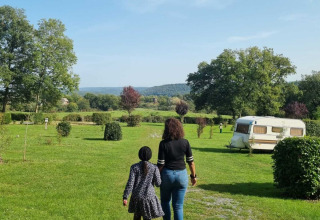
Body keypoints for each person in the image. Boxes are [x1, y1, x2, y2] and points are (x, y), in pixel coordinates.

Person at [157, 118, 197, 220]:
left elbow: (161, 165)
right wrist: (193, 176)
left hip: (167, 175)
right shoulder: (185, 142)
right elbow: (191, 162)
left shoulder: (163, 144)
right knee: (178, 206)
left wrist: (155, 178)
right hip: (182, 176)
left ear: (167, 129)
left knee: (165, 202)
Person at [123, 146, 164, 220]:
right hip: (149, 197)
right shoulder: (154, 168)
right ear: (150, 156)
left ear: (139, 155)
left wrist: (125, 197)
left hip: (136, 197)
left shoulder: (134, 167)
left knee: (136, 217)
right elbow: (158, 183)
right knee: (147, 218)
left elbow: (130, 183)